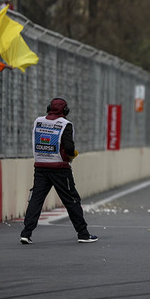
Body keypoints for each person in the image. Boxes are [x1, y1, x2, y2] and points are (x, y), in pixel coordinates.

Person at [20, 97, 98, 245]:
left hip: (40, 167)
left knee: (36, 199)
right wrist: (72, 155)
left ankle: (26, 233)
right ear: (65, 111)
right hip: (60, 169)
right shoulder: (65, 124)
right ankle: (83, 234)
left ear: (49, 107)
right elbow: (69, 148)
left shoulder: (38, 121)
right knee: (72, 200)